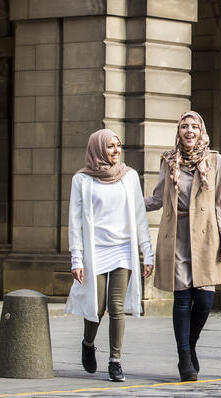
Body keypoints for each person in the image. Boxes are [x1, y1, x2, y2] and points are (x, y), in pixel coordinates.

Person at [145, 111, 221, 381]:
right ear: (179, 131)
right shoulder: (169, 160)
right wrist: (126, 204)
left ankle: (190, 345)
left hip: (207, 236)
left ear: (201, 131)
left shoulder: (214, 160)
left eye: (194, 126)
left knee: (205, 299)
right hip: (178, 235)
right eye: (184, 126)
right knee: (182, 298)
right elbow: (158, 197)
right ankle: (185, 357)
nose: (189, 130)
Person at [65, 129, 154, 382]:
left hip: (122, 250)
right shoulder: (82, 180)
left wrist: (147, 252)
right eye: (110, 146)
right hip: (96, 251)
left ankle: (115, 361)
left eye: (118, 146)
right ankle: (88, 343)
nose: (116, 151)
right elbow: (75, 222)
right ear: (97, 148)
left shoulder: (129, 177)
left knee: (116, 307)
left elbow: (139, 216)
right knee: (97, 306)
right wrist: (76, 259)